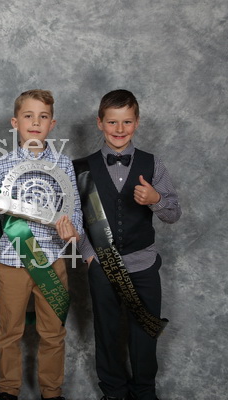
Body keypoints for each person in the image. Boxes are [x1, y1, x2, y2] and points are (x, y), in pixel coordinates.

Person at [0, 90, 83, 400]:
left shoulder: (64, 164)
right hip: (12, 261)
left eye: (43, 117)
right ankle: (8, 390)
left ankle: (52, 391)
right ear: (15, 122)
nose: (35, 122)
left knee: (53, 332)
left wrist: (72, 231)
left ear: (52, 124)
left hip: (52, 259)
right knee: (9, 331)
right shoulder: (2, 164)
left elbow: (74, 210)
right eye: (28, 116)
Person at [75, 89, 181, 400]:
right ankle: (113, 392)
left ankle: (145, 391)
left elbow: (173, 214)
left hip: (143, 264)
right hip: (101, 265)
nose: (119, 129)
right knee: (107, 331)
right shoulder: (81, 167)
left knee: (145, 331)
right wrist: (89, 256)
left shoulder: (152, 163)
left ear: (137, 122)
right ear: (99, 123)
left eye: (127, 122)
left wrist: (156, 199)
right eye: (112, 122)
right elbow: (74, 217)